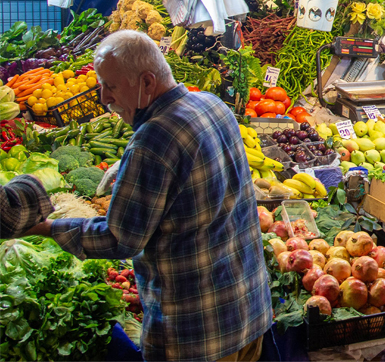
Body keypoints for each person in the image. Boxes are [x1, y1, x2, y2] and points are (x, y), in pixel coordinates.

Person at [23, 30, 272, 361]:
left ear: (147, 82)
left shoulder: (153, 140)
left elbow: (120, 240)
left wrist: (45, 227)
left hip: (198, 335)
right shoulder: (212, 104)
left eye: (110, 86)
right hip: (249, 311)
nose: (103, 98)